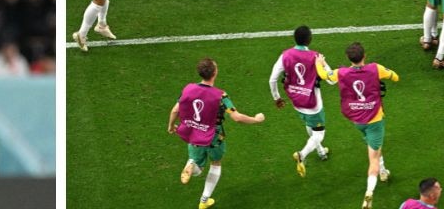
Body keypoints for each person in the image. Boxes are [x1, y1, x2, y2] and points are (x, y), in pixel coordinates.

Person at [170, 57, 265, 209]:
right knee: (215, 164)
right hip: (214, 136)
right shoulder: (221, 96)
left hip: (194, 134)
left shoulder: (188, 89)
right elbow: (237, 117)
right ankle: (204, 200)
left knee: (197, 167)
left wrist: (170, 126)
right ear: (215, 73)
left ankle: (191, 166)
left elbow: (175, 109)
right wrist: (256, 119)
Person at [318, 42, 399, 209]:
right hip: (374, 120)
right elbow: (395, 77)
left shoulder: (342, 73)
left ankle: (383, 172)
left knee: (373, 146)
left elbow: (325, 75)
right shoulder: (375, 68)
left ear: (348, 58)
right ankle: (369, 191)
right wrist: (387, 75)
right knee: (373, 159)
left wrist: (319, 63)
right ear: (365, 56)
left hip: (357, 120)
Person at [269, 25, 332, 177]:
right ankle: (302, 154)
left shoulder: (285, 55)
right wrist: (323, 65)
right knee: (319, 133)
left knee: (309, 124)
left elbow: (272, 79)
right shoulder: (316, 57)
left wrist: (277, 97)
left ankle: (320, 151)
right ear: (309, 40)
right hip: (313, 103)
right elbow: (331, 79)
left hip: (296, 101)